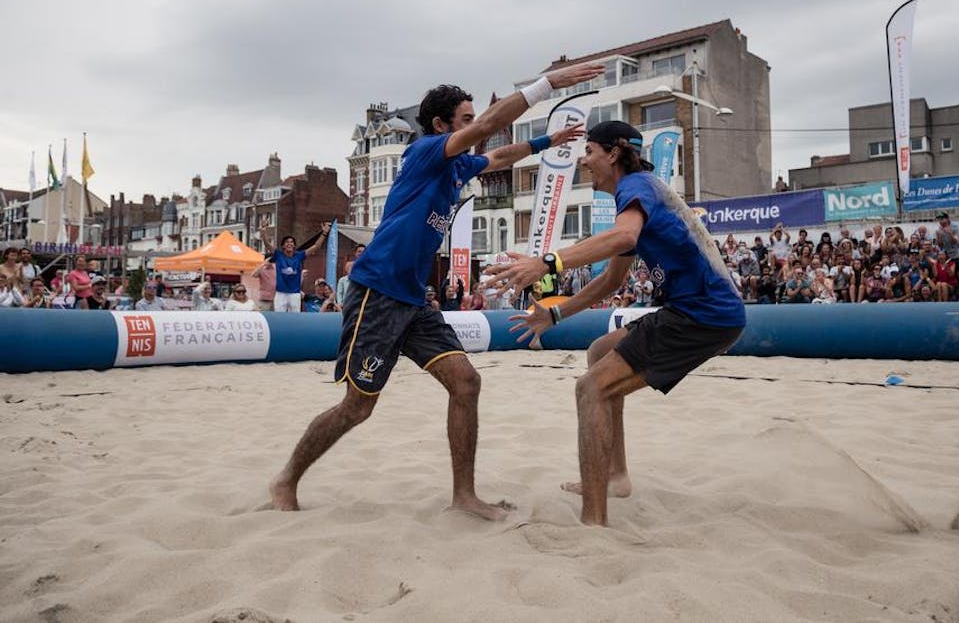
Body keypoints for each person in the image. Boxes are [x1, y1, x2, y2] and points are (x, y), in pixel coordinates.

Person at [268, 61, 606, 521]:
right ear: (440, 125)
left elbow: (502, 156)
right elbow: (490, 125)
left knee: (466, 382)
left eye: (471, 119)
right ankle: (286, 479)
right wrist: (546, 86)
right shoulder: (426, 151)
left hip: (412, 299)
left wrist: (551, 141)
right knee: (357, 408)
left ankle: (463, 495)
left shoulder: (457, 166)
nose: (475, 128)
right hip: (377, 293)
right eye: (464, 121)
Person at [482, 120, 745, 526]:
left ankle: (593, 522)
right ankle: (615, 476)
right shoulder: (639, 199)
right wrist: (553, 315)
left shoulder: (635, 187)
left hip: (702, 315)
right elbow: (612, 280)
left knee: (590, 389)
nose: (585, 162)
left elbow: (622, 240)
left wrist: (547, 262)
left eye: (589, 152)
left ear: (614, 153)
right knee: (600, 351)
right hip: (701, 311)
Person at [259, 220, 331, 312]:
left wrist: (324, 233)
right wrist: (264, 230)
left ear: (294, 246)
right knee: (280, 317)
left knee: (295, 317)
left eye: (292, 242)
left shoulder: (299, 256)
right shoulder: (279, 255)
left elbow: (316, 247)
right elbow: (267, 245)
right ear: (283, 246)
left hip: (295, 293)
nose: (289, 243)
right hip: (281, 293)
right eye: (287, 242)